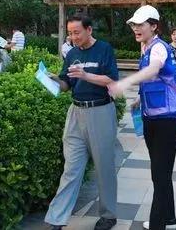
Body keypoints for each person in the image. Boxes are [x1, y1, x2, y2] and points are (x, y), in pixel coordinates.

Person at [108, 5, 176, 230]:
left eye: (140, 24)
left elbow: (153, 70)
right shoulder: (146, 47)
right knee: (161, 172)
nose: (136, 28)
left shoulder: (159, 47)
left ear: (154, 26)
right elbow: (155, 80)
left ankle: (158, 224)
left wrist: (125, 83)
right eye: (134, 24)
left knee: (160, 173)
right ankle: (169, 218)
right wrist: (140, 98)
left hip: (167, 119)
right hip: (152, 116)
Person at [44, 14, 118, 230]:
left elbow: (111, 79)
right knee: (71, 168)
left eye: (77, 32)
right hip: (76, 113)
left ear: (89, 30)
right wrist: (52, 79)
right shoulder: (72, 53)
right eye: (70, 33)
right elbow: (66, 85)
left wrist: (86, 76)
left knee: (104, 167)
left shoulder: (104, 49)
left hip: (101, 111)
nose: (73, 37)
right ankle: (56, 219)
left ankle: (108, 215)